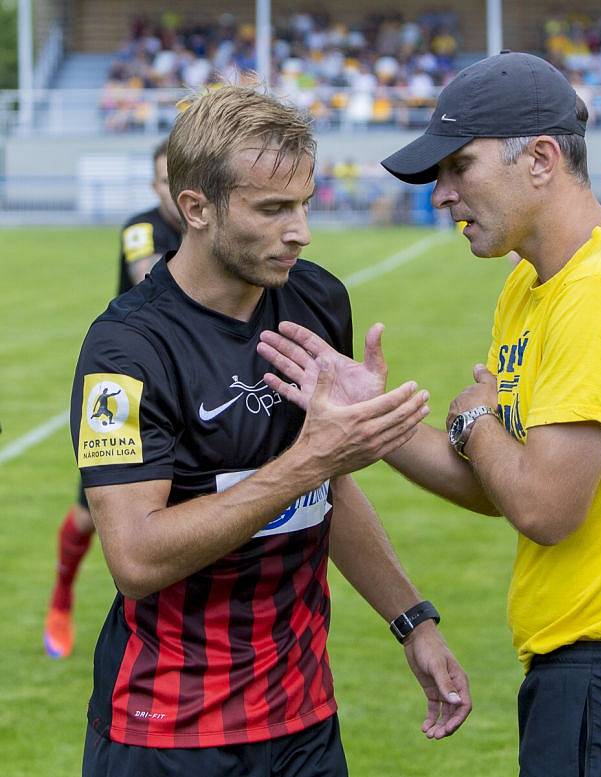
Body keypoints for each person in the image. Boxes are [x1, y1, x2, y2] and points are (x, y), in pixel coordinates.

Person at [259, 52, 601, 777]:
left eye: (460, 167)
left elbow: (544, 505)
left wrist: (476, 422)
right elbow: (502, 485)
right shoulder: (532, 283)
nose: (442, 196)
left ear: (542, 159)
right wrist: (371, 420)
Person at [71, 84, 470, 777]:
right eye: (273, 208)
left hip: (303, 722)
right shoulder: (125, 351)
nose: (302, 230)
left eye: (306, 202)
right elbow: (135, 558)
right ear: (195, 208)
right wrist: (310, 459)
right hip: (166, 731)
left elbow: (328, 487)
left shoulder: (316, 298)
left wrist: (414, 620)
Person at [44, 139, 182, 659]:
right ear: (154, 186)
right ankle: (61, 598)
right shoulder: (141, 227)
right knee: (90, 517)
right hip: (128, 387)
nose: (174, 189)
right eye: (165, 180)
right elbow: (150, 273)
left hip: (189, 385)